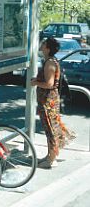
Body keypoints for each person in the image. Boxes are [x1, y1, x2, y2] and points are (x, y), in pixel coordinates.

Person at [31, 37, 75, 169]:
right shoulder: (51, 61)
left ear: (47, 48)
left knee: (50, 129)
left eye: (44, 43)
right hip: (49, 100)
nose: (41, 44)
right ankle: (50, 155)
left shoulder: (50, 63)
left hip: (48, 101)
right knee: (51, 128)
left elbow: (49, 84)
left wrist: (35, 82)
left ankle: (51, 159)